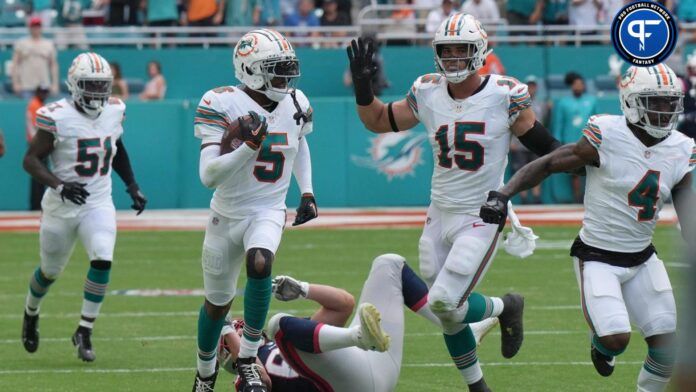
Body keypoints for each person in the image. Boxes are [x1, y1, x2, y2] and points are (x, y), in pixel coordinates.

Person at [346, 13, 562, 391]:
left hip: (481, 213)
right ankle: (477, 384)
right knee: (447, 312)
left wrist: (578, 160)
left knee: (445, 301)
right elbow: (378, 120)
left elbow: (542, 145)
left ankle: (504, 307)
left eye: (462, 50)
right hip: (438, 211)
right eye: (447, 50)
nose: (453, 58)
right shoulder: (427, 90)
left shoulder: (504, 93)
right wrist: (364, 88)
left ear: (479, 52)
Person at [480, 64, 695, 392]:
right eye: (656, 101)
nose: (665, 110)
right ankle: (602, 346)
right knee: (616, 338)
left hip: (642, 257)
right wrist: (503, 194)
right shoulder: (607, 134)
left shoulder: (681, 148)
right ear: (632, 101)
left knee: (667, 348)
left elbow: (686, 206)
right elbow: (551, 162)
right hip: (598, 256)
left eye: (670, 101)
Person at [191, 29, 318, 392]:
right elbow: (207, 175)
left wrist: (307, 192)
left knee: (261, 261)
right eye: (276, 70)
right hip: (226, 214)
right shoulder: (221, 102)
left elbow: (300, 143)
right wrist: (248, 145)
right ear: (250, 69)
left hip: (267, 208)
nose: (285, 78)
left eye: (287, 69)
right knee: (216, 306)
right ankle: (204, 372)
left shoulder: (295, 101)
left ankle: (247, 357)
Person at [20, 52, 148, 362]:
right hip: (61, 207)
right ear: (75, 85)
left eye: (102, 85)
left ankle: (84, 330)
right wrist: (59, 185)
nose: (98, 92)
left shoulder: (115, 111)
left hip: (98, 202)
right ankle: (30, 311)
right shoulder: (57, 116)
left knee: (103, 258)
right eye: (90, 85)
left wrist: (132, 185)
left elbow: (116, 149)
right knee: (50, 271)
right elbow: (30, 159)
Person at [217, 254, 499, 391]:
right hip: (350, 384)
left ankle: (460, 329)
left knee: (389, 264)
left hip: (372, 359)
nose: (240, 325)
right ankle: (359, 337)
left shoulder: (295, 345)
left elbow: (344, 304)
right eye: (233, 333)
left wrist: (303, 289)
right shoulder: (246, 378)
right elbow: (260, 379)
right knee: (278, 323)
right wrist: (227, 329)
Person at [552, 71, 597, 202]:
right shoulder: (563, 103)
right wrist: (557, 142)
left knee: (592, 171)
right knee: (575, 172)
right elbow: (558, 124)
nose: (578, 87)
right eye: (575, 84)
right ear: (571, 86)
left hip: (588, 141)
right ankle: (577, 197)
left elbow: (597, 120)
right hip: (570, 141)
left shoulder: (591, 100)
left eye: (580, 84)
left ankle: (591, 197)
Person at [11, 16, 59, 98]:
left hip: (43, 85)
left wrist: (55, 84)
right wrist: (16, 83)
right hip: (26, 86)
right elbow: (15, 64)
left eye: (38, 26)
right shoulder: (21, 43)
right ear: (30, 28)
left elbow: (53, 65)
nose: (36, 29)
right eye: (34, 26)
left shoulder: (48, 44)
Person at [26, 85, 51, 211]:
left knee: (40, 176)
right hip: (37, 144)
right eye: (41, 92)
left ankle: (37, 204)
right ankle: (36, 205)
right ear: (37, 92)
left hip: (38, 143)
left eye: (45, 92)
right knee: (39, 175)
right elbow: (37, 129)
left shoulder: (39, 104)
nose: (44, 94)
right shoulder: (35, 105)